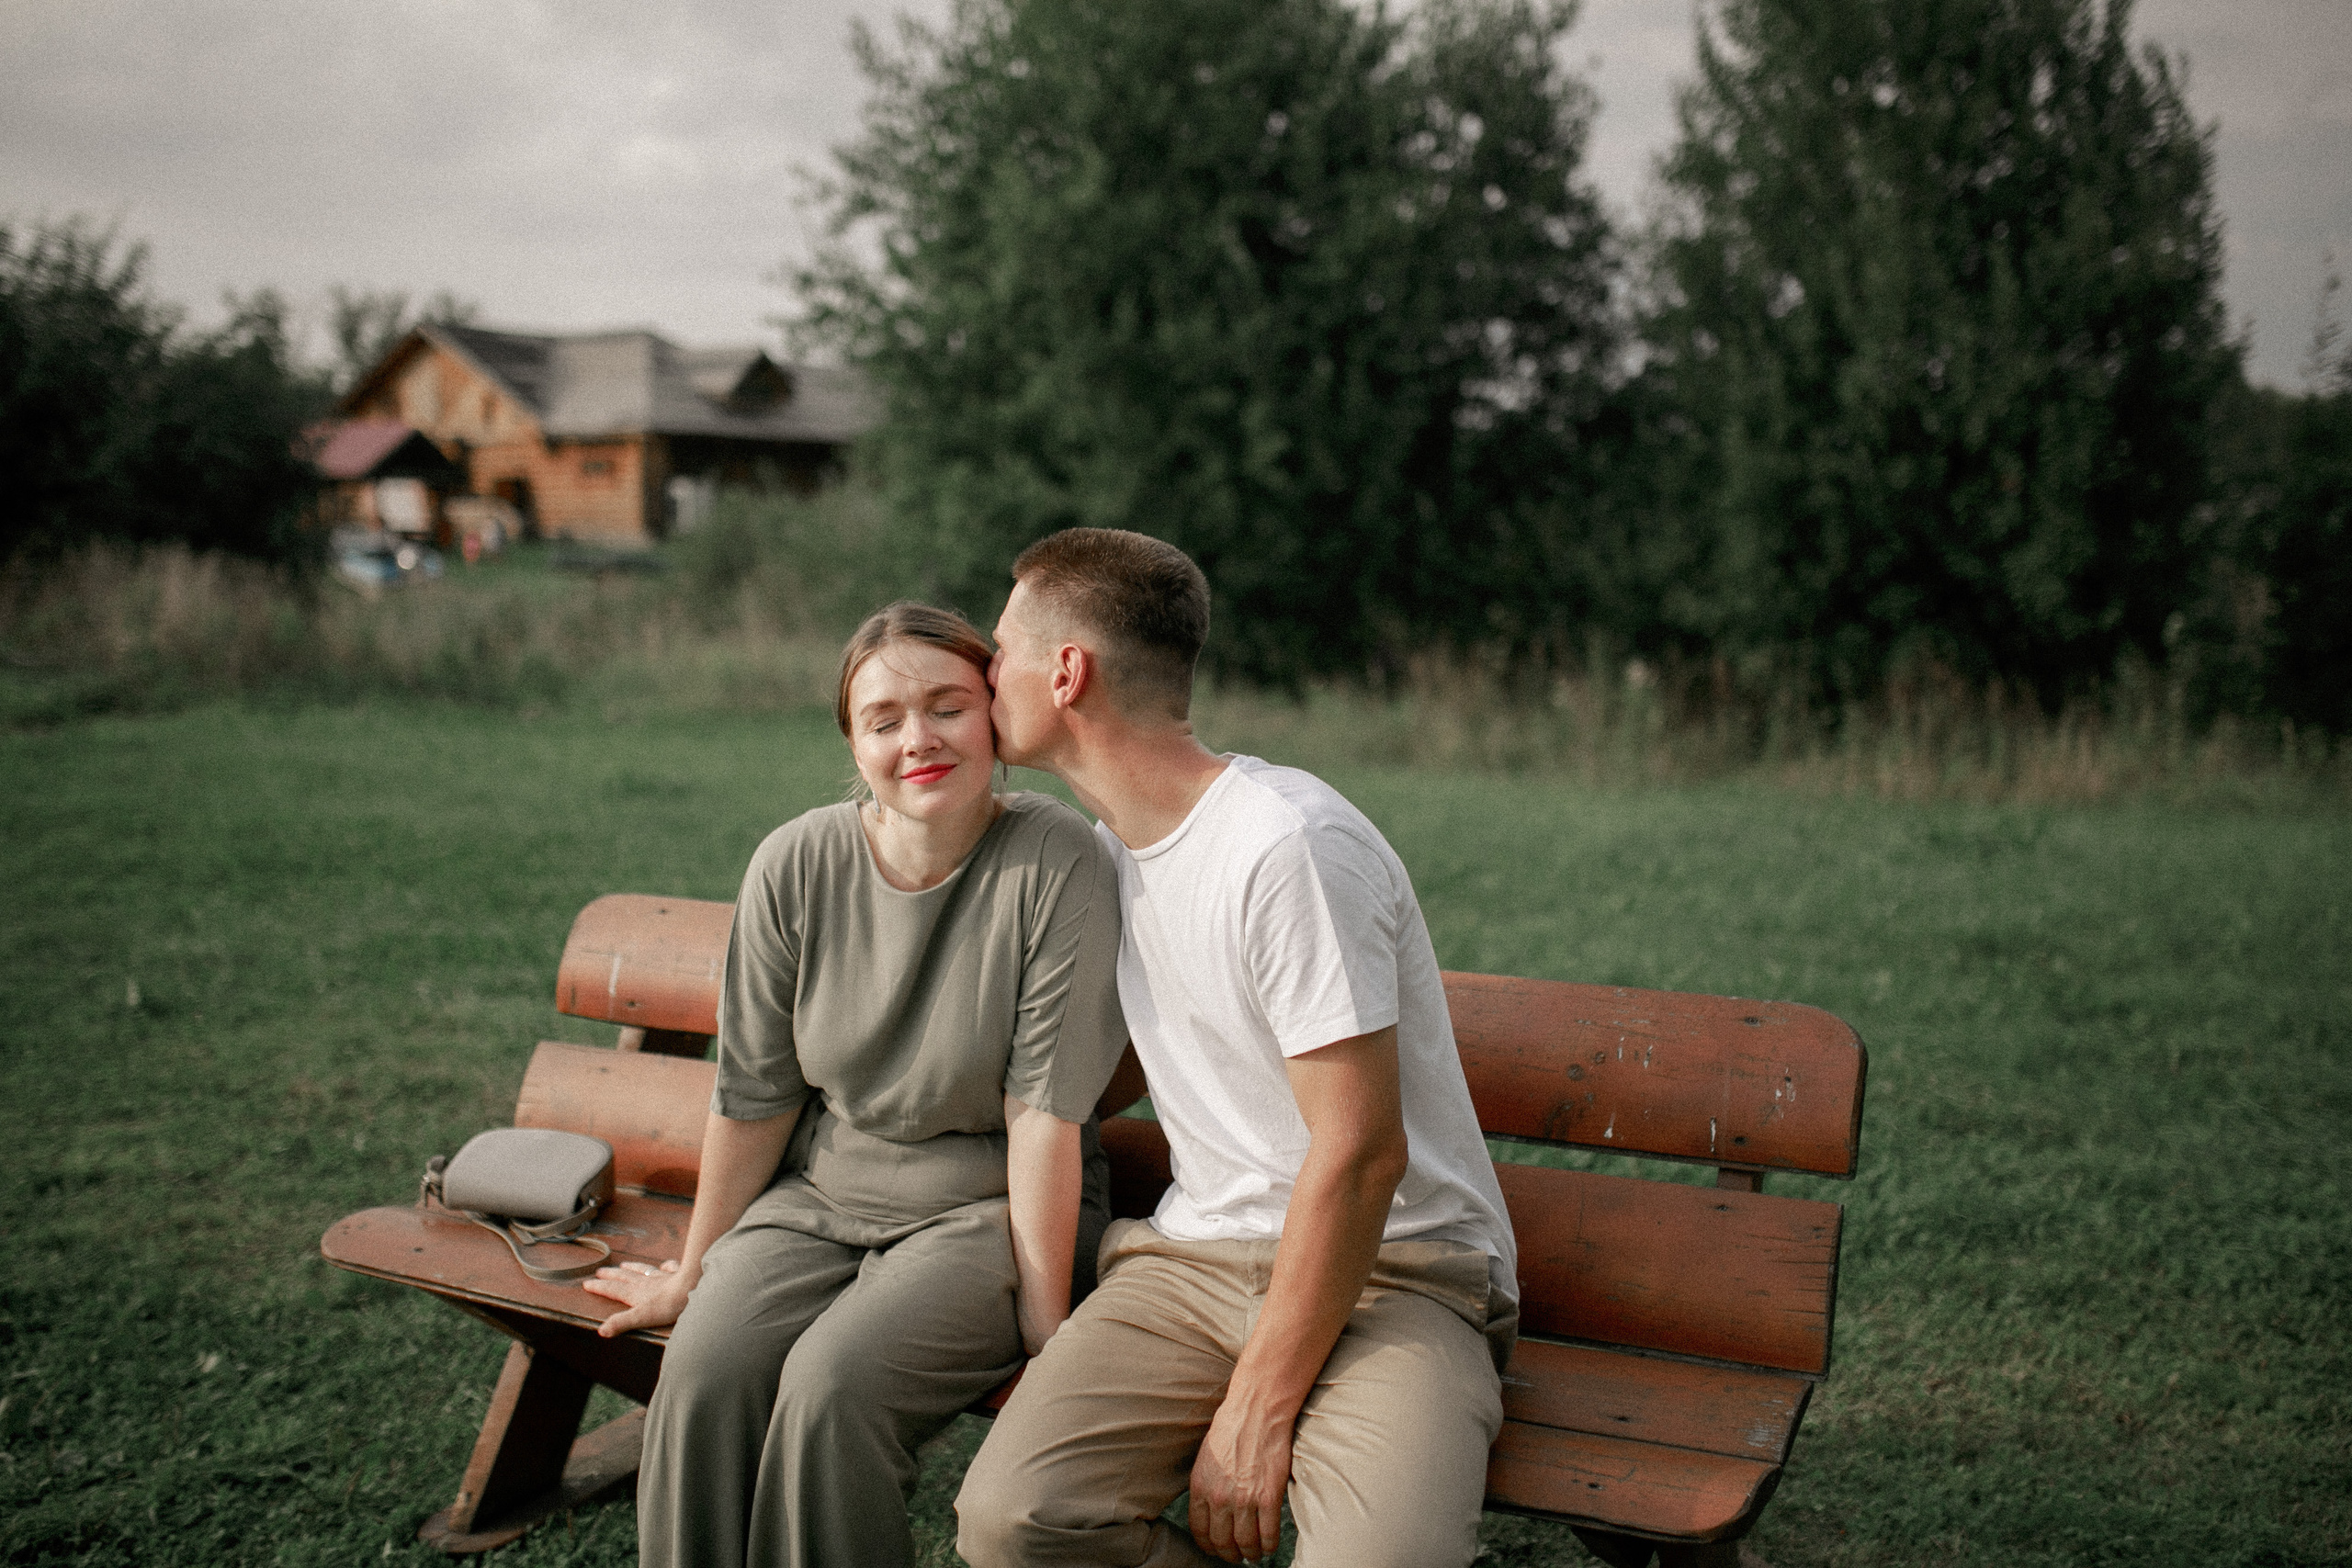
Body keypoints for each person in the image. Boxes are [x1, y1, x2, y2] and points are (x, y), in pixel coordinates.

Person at [956, 529, 1519, 1568]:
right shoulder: (1105, 850)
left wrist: (1257, 1407)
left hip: (1395, 1269)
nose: (983, 675)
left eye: (999, 652)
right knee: (1015, 1520)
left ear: (1065, 672)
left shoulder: (1286, 845)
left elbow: (1359, 1155)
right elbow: (1149, 1058)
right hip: (1188, 1264)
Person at [583, 601, 1127, 1568]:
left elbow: (1044, 1116)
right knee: (705, 1375)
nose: (918, 739)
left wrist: (1050, 1333)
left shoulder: (1055, 860)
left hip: (991, 1214)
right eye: (883, 721)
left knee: (833, 1389)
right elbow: (754, 1095)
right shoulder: (795, 863)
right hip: (819, 1196)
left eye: (947, 706)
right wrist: (693, 1269)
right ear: (854, 742)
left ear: (995, 714)